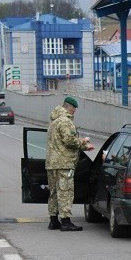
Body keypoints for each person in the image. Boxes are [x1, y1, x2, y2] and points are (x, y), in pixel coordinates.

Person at [45, 97, 94, 231]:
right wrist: (84, 141)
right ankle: (66, 222)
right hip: (64, 163)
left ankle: (53, 220)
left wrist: (84, 147)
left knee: (54, 192)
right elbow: (69, 141)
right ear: (69, 107)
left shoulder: (53, 121)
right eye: (74, 109)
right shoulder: (66, 121)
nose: (75, 112)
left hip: (52, 163)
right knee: (65, 192)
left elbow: (60, 143)